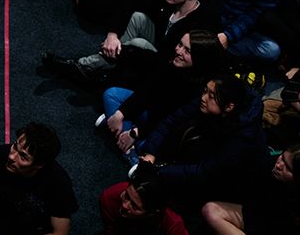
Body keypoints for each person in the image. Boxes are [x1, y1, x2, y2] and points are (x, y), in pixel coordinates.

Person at [43, 0, 217, 84]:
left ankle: (87, 66)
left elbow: (174, 61)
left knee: (137, 44)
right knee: (138, 17)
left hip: (169, 65)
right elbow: (129, 4)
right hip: (159, 44)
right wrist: (112, 36)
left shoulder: (202, 21)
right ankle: (104, 65)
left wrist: (124, 51)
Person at [98, 31, 229, 168]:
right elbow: (147, 89)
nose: (178, 50)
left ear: (200, 59)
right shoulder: (173, 62)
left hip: (164, 127)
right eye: (179, 44)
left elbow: (169, 120)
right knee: (111, 95)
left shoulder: (203, 89)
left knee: (147, 147)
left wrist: (135, 133)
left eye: (187, 50)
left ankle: (124, 140)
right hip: (151, 113)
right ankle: (122, 135)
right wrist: (120, 114)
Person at [135, 76, 267, 209]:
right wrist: (150, 154)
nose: (203, 97)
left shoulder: (243, 136)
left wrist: (159, 171)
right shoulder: (207, 103)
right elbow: (170, 121)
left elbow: (205, 172)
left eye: (211, 96)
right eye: (205, 91)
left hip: (227, 186)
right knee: (147, 148)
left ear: (229, 107)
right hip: (200, 159)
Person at [201, 142, 300, 235]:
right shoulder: (270, 165)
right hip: (264, 219)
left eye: (287, 167)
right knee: (211, 211)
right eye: (282, 157)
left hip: (284, 230)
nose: (279, 164)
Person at [98, 168, 189, 235]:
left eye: (134, 206)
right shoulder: (109, 198)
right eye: (126, 196)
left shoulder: (173, 226)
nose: (124, 205)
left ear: (152, 213)